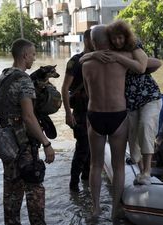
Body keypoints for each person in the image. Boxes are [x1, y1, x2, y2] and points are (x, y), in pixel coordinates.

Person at [0, 38, 55, 225]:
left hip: (6, 144)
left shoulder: (2, 77)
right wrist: (46, 143)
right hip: (23, 145)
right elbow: (29, 117)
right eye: (33, 55)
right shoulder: (24, 80)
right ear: (25, 55)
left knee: (11, 194)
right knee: (35, 190)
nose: (34, 59)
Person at [82, 25, 132, 219]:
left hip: (95, 114)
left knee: (95, 165)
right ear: (111, 40)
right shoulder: (123, 60)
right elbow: (149, 64)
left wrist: (90, 55)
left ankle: (95, 210)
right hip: (117, 115)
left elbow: (88, 92)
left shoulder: (86, 64)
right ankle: (114, 211)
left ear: (93, 42)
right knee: (118, 166)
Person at [106, 20, 162, 186]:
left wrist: (119, 58)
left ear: (126, 36)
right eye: (114, 39)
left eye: (120, 38)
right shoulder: (110, 50)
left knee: (145, 126)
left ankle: (147, 171)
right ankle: (141, 171)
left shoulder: (133, 45)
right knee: (133, 137)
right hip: (129, 101)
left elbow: (142, 66)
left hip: (149, 96)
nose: (118, 41)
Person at [61, 29, 93, 192]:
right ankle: (74, 186)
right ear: (87, 40)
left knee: (91, 152)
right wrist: (67, 113)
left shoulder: (99, 60)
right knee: (83, 149)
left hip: (95, 113)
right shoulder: (75, 61)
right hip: (80, 112)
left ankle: (86, 183)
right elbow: (65, 88)